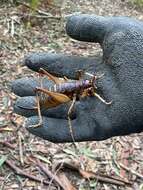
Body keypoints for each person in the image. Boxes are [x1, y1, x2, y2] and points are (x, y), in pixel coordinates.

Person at [12, 15, 143, 143]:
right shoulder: (78, 91)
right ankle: (40, 119)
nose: (91, 85)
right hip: (55, 95)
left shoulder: (85, 85)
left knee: (62, 86)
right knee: (62, 97)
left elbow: (91, 86)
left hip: (63, 90)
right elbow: (72, 109)